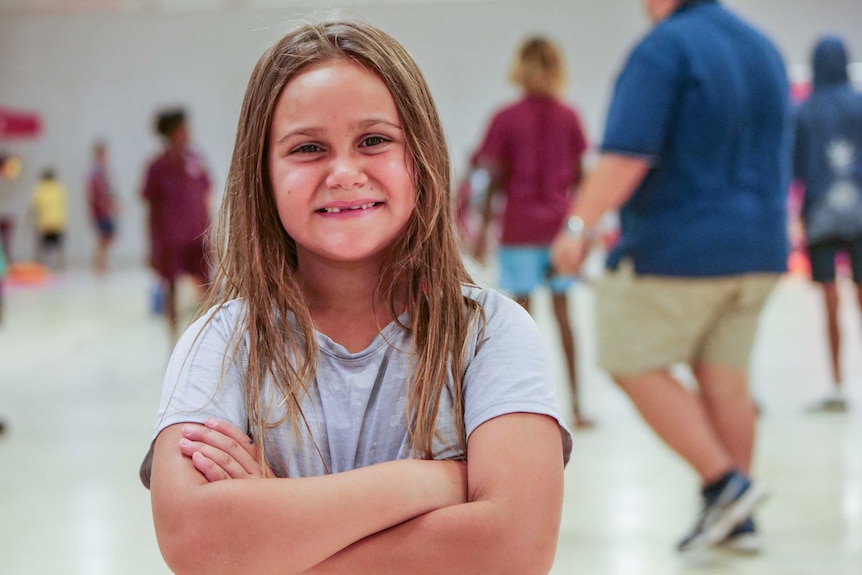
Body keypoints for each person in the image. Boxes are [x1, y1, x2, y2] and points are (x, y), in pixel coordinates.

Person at [140, 20, 572, 575]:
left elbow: (515, 549)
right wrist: (432, 481)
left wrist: (277, 535)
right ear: (263, 175)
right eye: (308, 148)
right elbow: (194, 540)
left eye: (373, 140)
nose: (345, 173)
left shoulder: (491, 333)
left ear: (420, 156)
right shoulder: (222, 340)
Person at [551, 0, 790, 554]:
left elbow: (626, 155)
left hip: (681, 247)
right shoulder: (762, 48)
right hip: (761, 247)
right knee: (725, 376)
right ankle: (737, 519)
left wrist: (578, 227)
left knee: (626, 356)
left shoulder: (663, 49)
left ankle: (725, 484)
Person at [468, 36, 592, 429]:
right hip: (557, 231)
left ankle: (528, 412)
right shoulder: (569, 116)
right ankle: (577, 408)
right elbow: (582, 178)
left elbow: (490, 177)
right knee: (564, 319)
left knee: (521, 326)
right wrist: (583, 232)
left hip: (519, 230)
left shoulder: (505, 117)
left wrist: (482, 231)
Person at [792, 35, 862, 413]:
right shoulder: (859, 104)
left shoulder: (805, 110)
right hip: (859, 216)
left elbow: (796, 167)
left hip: (819, 217)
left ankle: (837, 385)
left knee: (830, 303)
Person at [141, 107, 212, 339]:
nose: (188, 132)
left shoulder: (195, 160)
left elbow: (205, 195)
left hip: (197, 235)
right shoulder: (157, 167)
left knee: (206, 286)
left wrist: (210, 230)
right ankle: (173, 339)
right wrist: (151, 247)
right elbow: (150, 209)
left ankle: (208, 334)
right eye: (183, 128)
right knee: (170, 289)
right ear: (172, 132)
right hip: (170, 239)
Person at [87, 140, 118, 274]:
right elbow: (99, 193)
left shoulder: (102, 171)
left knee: (107, 236)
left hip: (104, 209)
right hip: (100, 211)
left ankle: (100, 262)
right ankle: (98, 263)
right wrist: (107, 206)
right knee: (105, 236)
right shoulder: (96, 173)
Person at [31, 167, 67, 270]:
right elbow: (62, 203)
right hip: (58, 222)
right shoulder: (59, 188)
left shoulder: (40, 188)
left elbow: (35, 206)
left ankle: (45, 265)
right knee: (58, 245)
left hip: (44, 222)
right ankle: (59, 265)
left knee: (45, 246)